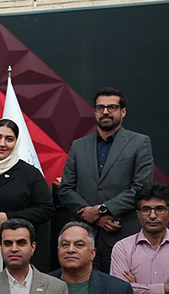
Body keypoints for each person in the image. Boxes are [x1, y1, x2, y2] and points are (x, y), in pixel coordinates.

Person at [58, 87, 154, 273]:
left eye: (112, 107)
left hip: (122, 235)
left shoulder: (139, 143)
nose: (105, 112)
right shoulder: (79, 146)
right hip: (83, 237)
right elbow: (66, 189)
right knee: (84, 288)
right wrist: (94, 218)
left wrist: (101, 210)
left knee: (120, 288)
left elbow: (141, 189)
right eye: (100, 108)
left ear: (123, 112)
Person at [0, 119, 54, 277]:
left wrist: (9, 217)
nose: (2, 143)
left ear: (16, 143)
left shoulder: (29, 174)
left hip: (15, 250)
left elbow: (46, 209)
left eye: (9, 139)